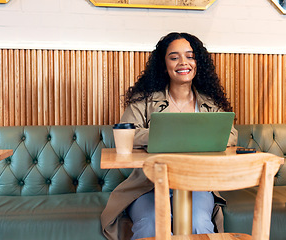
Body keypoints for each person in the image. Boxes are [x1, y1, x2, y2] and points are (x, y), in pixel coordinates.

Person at [100, 32, 238, 240]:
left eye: (190, 56)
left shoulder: (210, 103)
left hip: (198, 184)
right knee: (151, 225)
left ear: (197, 63)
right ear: (164, 65)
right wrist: (176, 134)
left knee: (199, 223)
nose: (184, 62)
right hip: (148, 186)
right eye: (174, 57)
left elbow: (230, 135)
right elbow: (128, 134)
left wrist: (177, 137)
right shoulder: (144, 101)